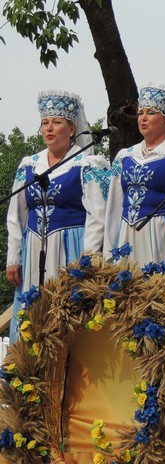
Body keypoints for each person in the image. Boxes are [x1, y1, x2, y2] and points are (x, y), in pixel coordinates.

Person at [6, 91, 109, 340]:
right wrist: (13, 257)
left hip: (70, 249)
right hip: (34, 249)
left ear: (72, 129)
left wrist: (88, 260)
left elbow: (98, 215)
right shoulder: (29, 165)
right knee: (32, 316)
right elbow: (16, 215)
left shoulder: (87, 164)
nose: (49, 128)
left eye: (57, 122)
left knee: (66, 313)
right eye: (45, 122)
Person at [104, 84, 165, 272]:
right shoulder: (125, 156)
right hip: (127, 236)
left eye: (151, 112)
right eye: (141, 113)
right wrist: (108, 251)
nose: (143, 118)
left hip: (164, 235)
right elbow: (113, 207)